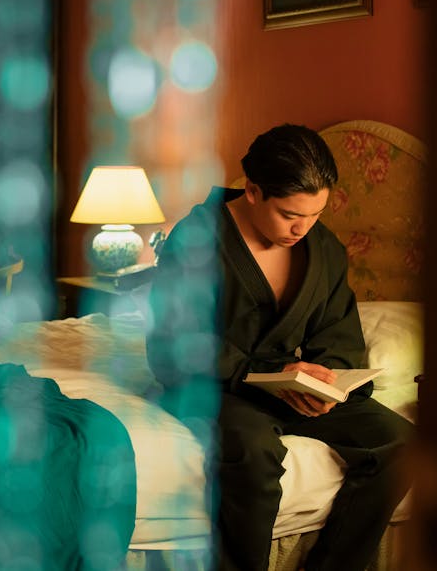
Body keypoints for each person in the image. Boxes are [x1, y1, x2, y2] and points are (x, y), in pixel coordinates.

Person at [146, 123, 413, 571]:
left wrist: (323, 379)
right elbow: (172, 343)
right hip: (223, 388)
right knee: (254, 456)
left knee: (400, 443)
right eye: (291, 214)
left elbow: (340, 337)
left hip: (297, 386)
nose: (303, 227)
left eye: (316, 214)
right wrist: (259, 374)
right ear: (252, 190)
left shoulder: (323, 248)